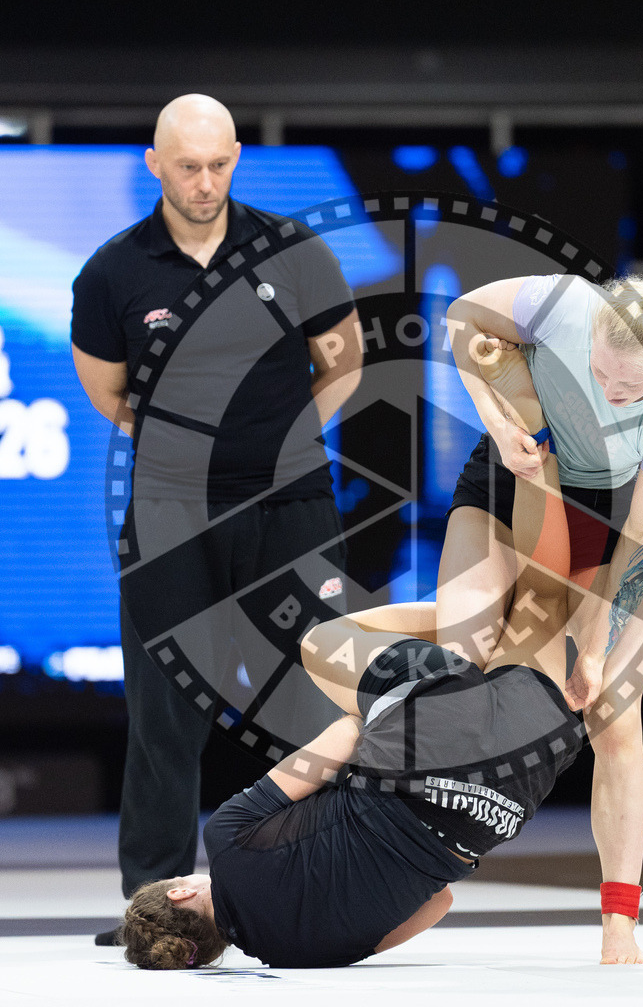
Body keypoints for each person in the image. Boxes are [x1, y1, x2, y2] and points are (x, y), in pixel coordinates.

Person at [118, 359, 601, 970]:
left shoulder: (296, 956)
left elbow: (440, 904)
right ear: (183, 891)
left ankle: (578, 448)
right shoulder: (227, 843)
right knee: (325, 645)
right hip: (417, 760)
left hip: (502, 800)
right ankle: (527, 424)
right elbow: (344, 738)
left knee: (544, 605)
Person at [70, 94, 363, 940]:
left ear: (237, 158)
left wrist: (281, 441)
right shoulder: (114, 271)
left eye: (219, 165)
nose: (205, 182)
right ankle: (152, 905)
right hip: (168, 511)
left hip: (293, 505)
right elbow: (108, 392)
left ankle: (316, 885)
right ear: (154, 164)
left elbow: (341, 363)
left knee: (312, 699)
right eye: (188, 167)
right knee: (164, 710)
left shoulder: (291, 251)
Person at [438, 273, 643, 964]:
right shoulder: (561, 303)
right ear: (589, 335)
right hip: (509, 477)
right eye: (601, 376)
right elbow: (458, 325)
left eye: (630, 390)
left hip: (601, 529)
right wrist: (497, 424)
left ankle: (619, 923)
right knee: (451, 668)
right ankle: (399, 866)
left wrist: (592, 648)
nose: (611, 396)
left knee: (615, 724)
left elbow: (636, 553)